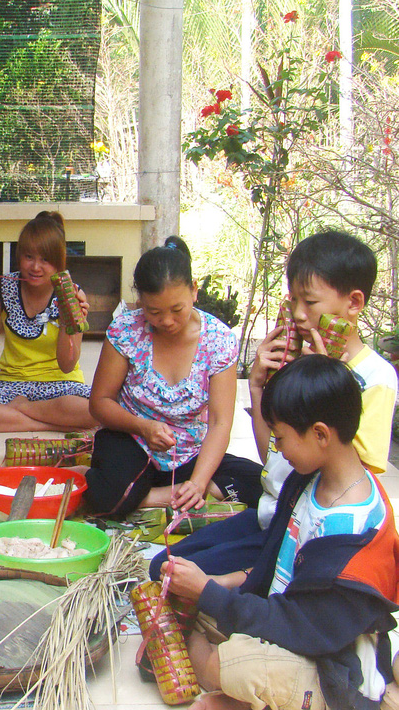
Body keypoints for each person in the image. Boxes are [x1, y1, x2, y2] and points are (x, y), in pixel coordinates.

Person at [161, 355, 399, 710]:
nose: (277, 448)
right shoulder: (307, 480)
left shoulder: (352, 531)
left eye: (282, 437)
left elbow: (305, 628)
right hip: (285, 616)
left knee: (235, 665)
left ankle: (227, 683)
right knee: (186, 595)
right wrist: (219, 586)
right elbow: (278, 568)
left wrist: (212, 596)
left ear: (320, 434)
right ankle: (219, 668)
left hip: (327, 658)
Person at [150, 230, 398, 576]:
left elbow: (351, 477)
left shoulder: (375, 378)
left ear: (354, 303)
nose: (297, 314)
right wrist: (257, 389)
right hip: (269, 513)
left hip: (299, 533)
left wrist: (324, 383)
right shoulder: (295, 361)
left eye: (309, 303)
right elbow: (274, 458)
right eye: (292, 300)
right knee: (161, 564)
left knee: (179, 576)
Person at [85, 237, 252, 517]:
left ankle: (152, 494)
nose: (167, 321)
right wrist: (143, 427)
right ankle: (164, 493)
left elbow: (221, 422)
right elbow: (100, 403)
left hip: (188, 451)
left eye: (177, 310)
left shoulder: (219, 340)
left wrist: (198, 482)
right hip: (132, 439)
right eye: (154, 312)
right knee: (105, 498)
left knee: (257, 482)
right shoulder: (125, 331)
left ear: (194, 291)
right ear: (140, 302)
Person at [0, 211, 96, 432]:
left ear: (59, 262)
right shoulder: (5, 288)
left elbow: (67, 364)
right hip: (11, 385)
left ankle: (22, 413)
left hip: (61, 386)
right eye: (29, 257)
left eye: (45, 259)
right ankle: (47, 424)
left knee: (95, 410)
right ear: (19, 255)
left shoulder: (71, 294)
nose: (35, 267)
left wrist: (67, 320)